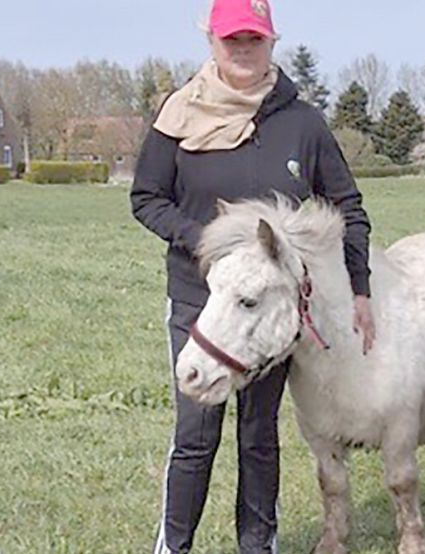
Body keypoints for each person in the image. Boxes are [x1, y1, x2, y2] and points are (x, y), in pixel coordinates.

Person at [130, 1, 374, 552]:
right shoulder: (179, 113)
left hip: (269, 306)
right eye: (231, 39)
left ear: (271, 43)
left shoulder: (302, 123)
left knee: (259, 435)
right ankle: (173, 545)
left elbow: (348, 207)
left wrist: (360, 288)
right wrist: (206, 241)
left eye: (254, 39)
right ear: (211, 42)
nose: (243, 49)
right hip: (201, 299)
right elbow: (145, 197)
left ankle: (258, 545)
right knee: (196, 433)